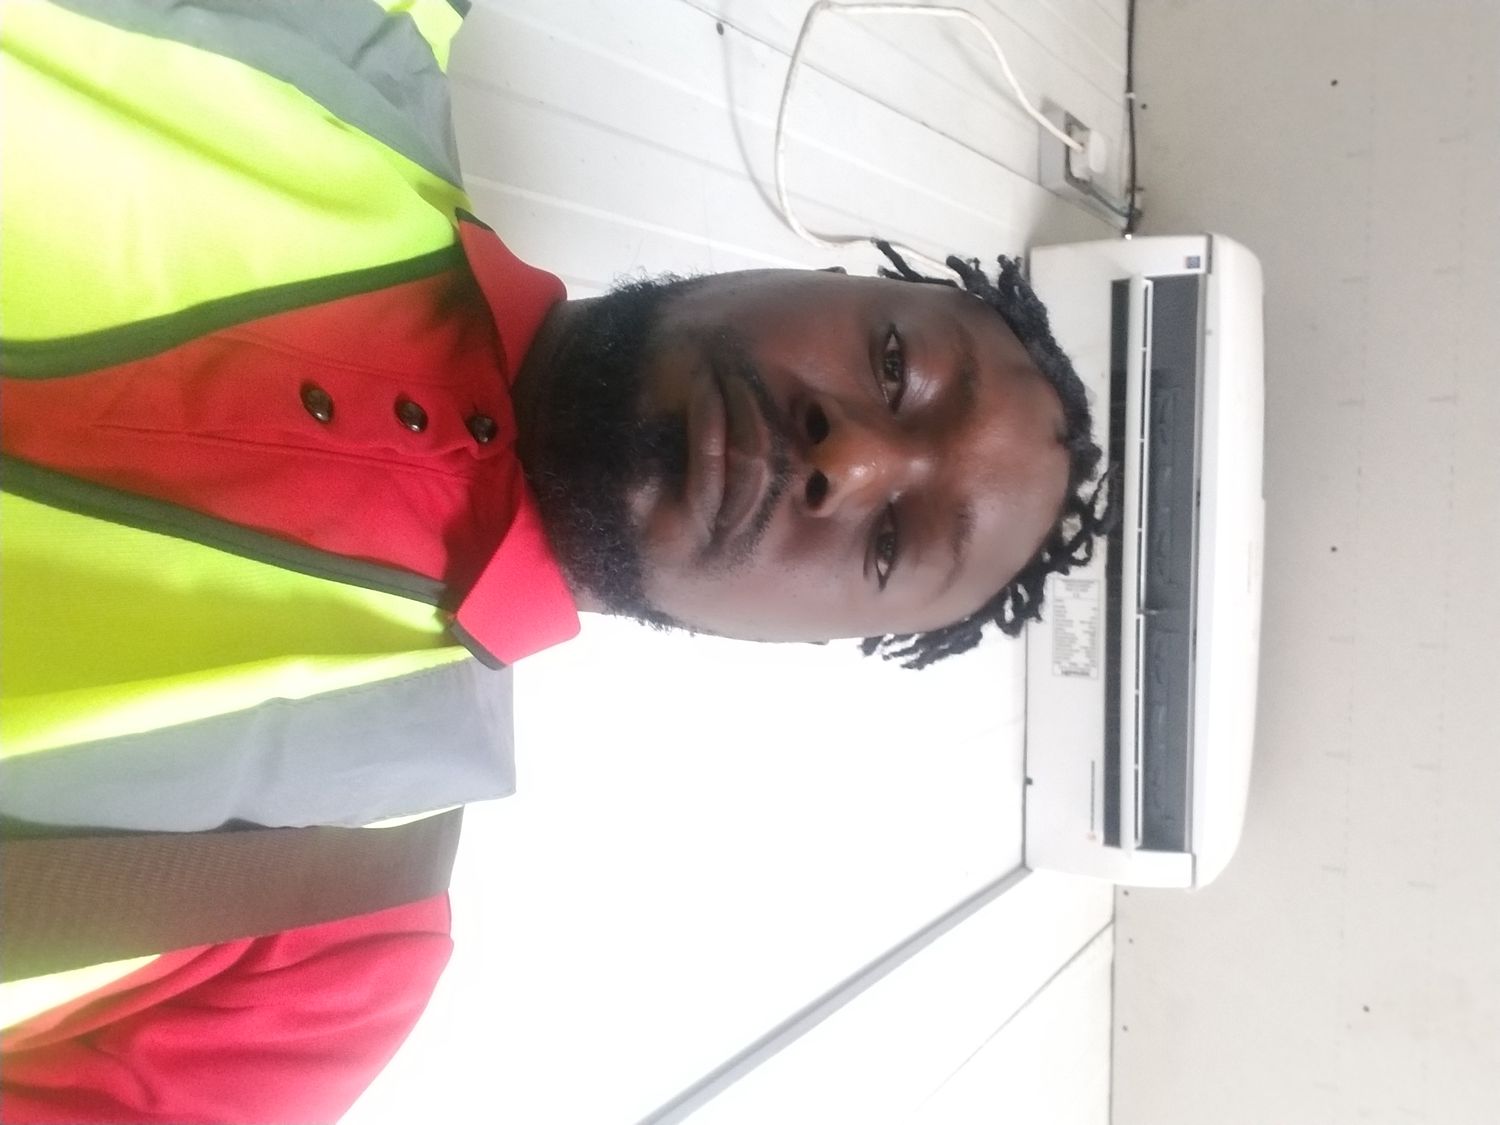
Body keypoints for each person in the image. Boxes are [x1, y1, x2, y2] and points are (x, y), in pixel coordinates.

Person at [0, 2, 1108, 1121]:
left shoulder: (329, 953)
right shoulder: (353, 43)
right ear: (816, 275)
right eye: (895, 364)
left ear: (803, 638)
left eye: (892, 543)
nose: (851, 460)